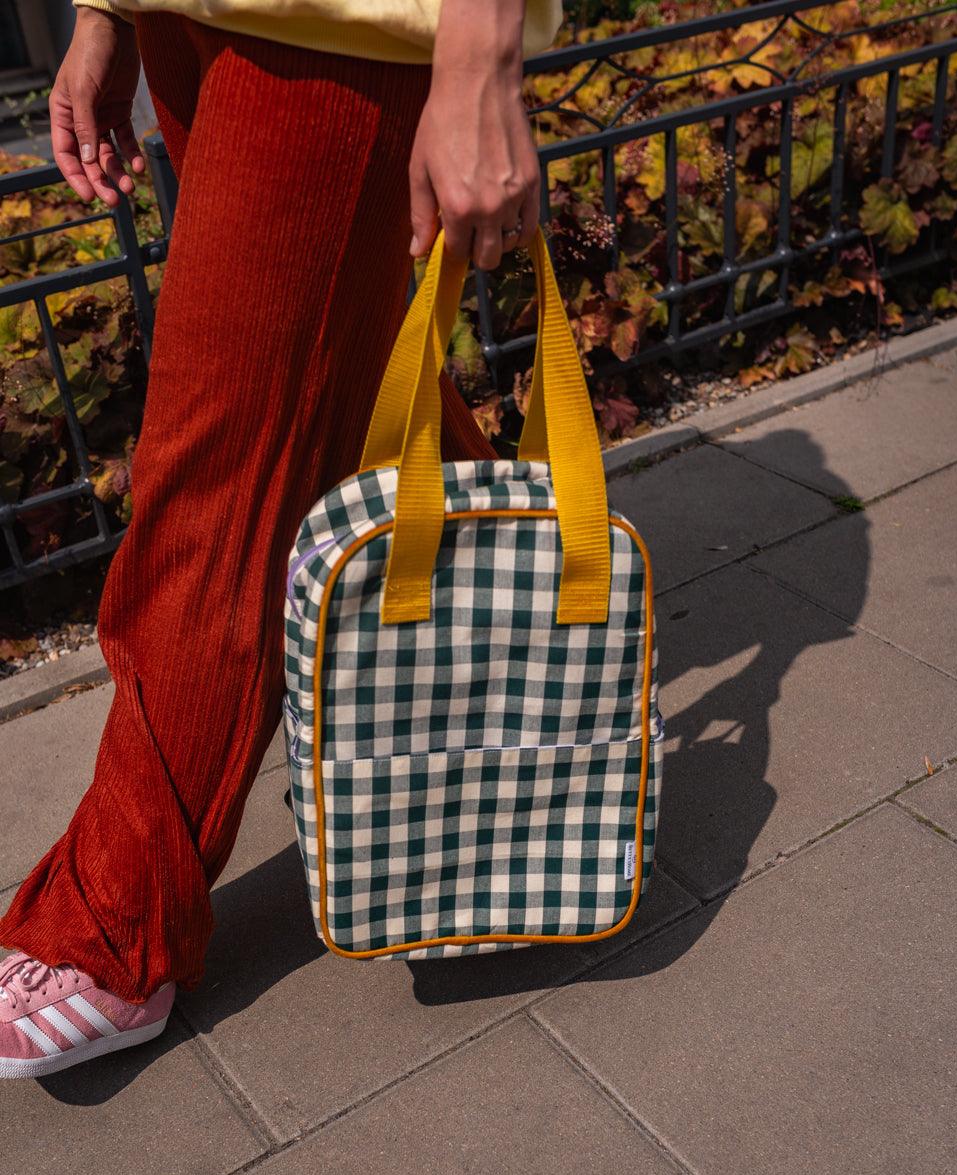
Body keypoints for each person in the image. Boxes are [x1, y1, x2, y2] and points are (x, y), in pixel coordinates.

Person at [0, 0, 559, 1079]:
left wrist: (480, 53)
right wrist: (107, 9)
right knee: (330, 387)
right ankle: (529, 693)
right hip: (198, 13)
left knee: (221, 456)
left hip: (345, 25)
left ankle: (119, 925)